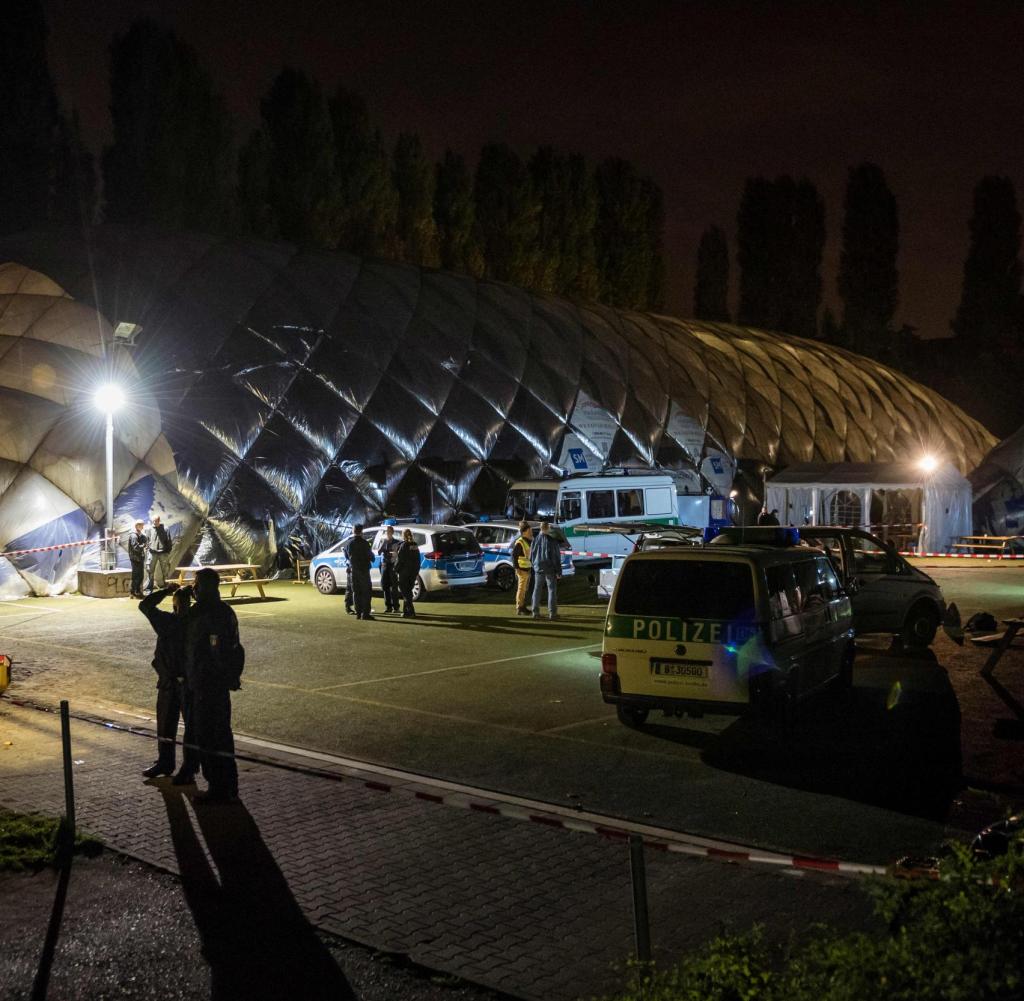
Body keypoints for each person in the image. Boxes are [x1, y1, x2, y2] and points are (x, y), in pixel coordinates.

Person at [186, 568, 243, 804]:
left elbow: (217, 648)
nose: (194, 588)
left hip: (208, 684)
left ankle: (219, 786)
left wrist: (214, 674)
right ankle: (227, 785)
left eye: (197, 584)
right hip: (211, 682)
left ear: (206, 586)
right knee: (221, 734)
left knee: (210, 736)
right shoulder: (223, 611)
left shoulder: (207, 613)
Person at [139, 583, 200, 784]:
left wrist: (166, 591)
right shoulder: (184, 622)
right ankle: (169, 764)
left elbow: (146, 605)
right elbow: (145, 606)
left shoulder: (176, 622)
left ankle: (184, 767)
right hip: (171, 681)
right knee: (169, 724)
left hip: (183, 681)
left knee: (187, 727)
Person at [530, 521, 562, 620]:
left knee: (537, 589)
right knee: (551, 590)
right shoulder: (552, 540)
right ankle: (552, 613)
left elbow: (531, 554)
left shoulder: (535, 539)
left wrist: (534, 565)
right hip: (550, 568)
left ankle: (535, 612)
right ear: (547, 528)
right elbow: (555, 557)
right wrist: (558, 571)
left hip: (538, 567)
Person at [346, 524, 374, 620]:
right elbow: (371, 556)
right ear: (361, 531)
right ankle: (365, 613)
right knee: (366, 592)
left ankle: (358, 613)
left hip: (354, 571)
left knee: (356, 592)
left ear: (353, 531)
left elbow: (347, 556)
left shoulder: (350, 543)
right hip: (364, 570)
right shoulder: (365, 543)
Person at [376, 525, 402, 613]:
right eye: (387, 532)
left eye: (389, 532)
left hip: (392, 565)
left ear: (392, 532)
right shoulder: (383, 541)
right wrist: (383, 545)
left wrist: (394, 554)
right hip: (384, 565)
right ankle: (388, 607)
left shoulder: (397, 542)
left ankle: (396, 607)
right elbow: (378, 552)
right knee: (385, 586)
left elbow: (399, 553)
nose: (388, 533)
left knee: (394, 586)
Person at [396, 528, 421, 617]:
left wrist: (395, 570)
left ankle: (411, 612)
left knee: (405, 593)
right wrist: (416, 571)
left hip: (404, 573)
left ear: (403, 535)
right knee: (408, 592)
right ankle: (406, 612)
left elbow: (400, 560)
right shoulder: (415, 545)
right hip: (413, 572)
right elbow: (418, 560)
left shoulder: (403, 546)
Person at [146, 515, 173, 592]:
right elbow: (147, 540)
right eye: (153, 521)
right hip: (152, 552)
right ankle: (149, 588)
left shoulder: (165, 528)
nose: (154, 522)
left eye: (156, 521)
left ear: (159, 520)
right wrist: (148, 549)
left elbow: (169, 540)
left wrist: (168, 551)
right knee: (150, 570)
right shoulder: (149, 529)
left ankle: (166, 587)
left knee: (165, 570)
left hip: (163, 553)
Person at [511, 522, 533, 615]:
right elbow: (514, 555)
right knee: (521, 589)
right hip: (522, 569)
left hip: (526, 568)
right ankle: (520, 607)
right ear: (526, 531)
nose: (531, 531)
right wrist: (516, 568)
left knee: (523, 589)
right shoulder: (520, 542)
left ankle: (522, 606)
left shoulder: (527, 540)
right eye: (530, 530)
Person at [127, 520, 149, 599]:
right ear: (137, 526)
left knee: (139, 575)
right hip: (135, 558)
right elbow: (136, 547)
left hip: (139, 558)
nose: (143, 527)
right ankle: (135, 592)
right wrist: (143, 545)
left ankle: (135, 592)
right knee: (137, 576)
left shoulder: (140, 535)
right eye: (141, 525)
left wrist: (144, 541)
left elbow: (145, 542)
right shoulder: (134, 535)